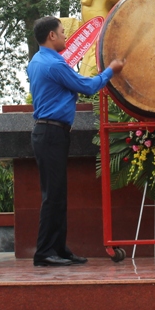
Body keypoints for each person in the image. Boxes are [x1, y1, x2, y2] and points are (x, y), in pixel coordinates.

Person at [28, 16, 124, 266]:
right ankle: (45, 252)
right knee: (53, 195)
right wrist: (111, 70)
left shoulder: (39, 60)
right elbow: (87, 86)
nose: (65, 37)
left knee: (57, 194)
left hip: (49, 133)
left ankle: (58, 248)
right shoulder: (54, 65)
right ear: (51, 36)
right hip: (51, 134)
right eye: (61, 32)